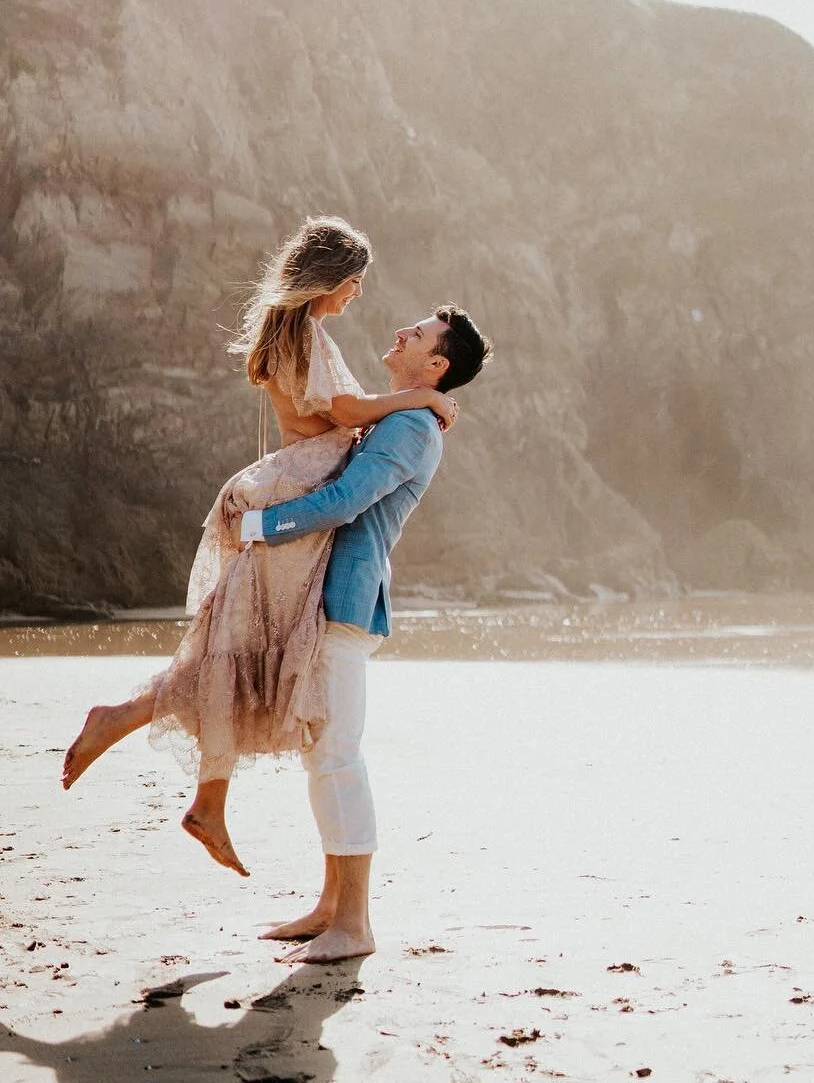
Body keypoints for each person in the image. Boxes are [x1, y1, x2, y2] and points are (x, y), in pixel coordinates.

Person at [61, 217, 458, 878]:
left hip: (283, 485)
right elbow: (349, 412)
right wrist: (423, 397)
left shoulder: (287, 329)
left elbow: (339, 413)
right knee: (239, 649)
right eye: (354, 285)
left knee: (237, 645)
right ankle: (133, 729)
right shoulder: (307, 333)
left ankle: (204, 798)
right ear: (332, 280)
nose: (356, 299)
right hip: (293, 493)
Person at [247, 303, 492, 964]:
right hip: (333, 598)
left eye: (415, 334)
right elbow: (344, 415)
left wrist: (255, 526)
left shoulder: (413, 424)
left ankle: (353, 924)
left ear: (435, 364)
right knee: (323, 755)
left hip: (347, 601)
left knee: (338, 757)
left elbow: (344, 502)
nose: (400, 332)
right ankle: (330, 907)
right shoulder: (411, 412)